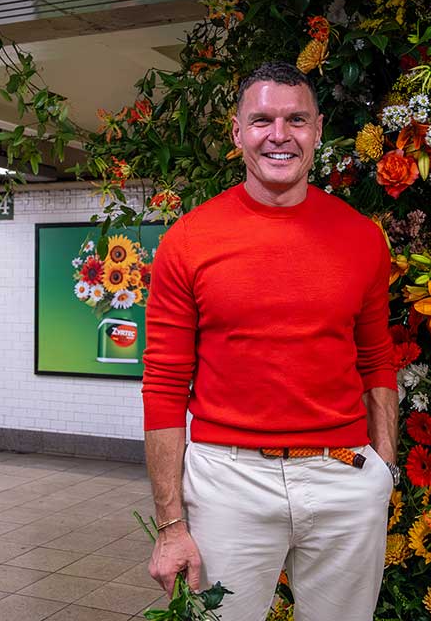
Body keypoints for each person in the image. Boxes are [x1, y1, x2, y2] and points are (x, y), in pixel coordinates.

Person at [141, 61, 399, 621]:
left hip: (343, 476)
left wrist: (384, 466)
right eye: (261, 120)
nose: (279, 135)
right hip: (228, 481)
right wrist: (170, 525)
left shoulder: (360, 237)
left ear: (318, 130)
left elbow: (378, 360)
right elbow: (163, 384)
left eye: (295, 120)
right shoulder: (189, 241)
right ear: (237, 133)